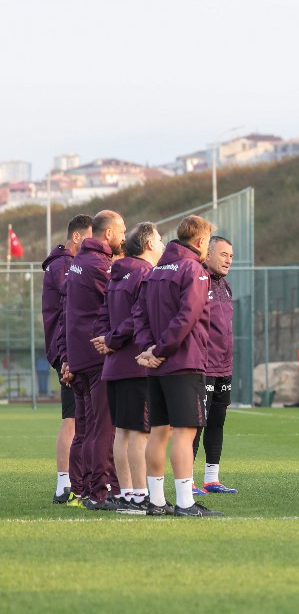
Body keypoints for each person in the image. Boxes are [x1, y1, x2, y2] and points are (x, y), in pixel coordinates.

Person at [133, 215, 223, 516]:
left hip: (157, 366)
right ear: (200, 241)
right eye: (208, 242)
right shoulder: (193, 269)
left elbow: (139, 314)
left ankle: (157, 501)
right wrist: (160, 349)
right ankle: (185, 502)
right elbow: (187, 316)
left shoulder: (155, 270)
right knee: (185, 433)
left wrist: (149, 349)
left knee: (159, 432)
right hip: (184, 363)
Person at [93, 221, 164, 514]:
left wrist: (105, 340)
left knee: (122, 431)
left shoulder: (117, 273)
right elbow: (139, 317)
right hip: (136, 363)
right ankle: (139, 496)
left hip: (114, 366)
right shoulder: (145, 274)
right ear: (149, 244)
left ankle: (127, 494)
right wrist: (111, 339)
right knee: (138, 433)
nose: (163, 245)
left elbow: (102, 314)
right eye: (159, 239)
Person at [65, 210, 126, 511]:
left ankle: (89, 489)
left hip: (79, 356)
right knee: (103, 427)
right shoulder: (99, 266)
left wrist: (67, 357)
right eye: (122, 231)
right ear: (109, 233)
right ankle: (101, 492)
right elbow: (116, 303)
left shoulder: (79, 261)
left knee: (88, 428)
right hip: (96, 355)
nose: (125, 237)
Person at [43, 214, 92, 505]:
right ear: (76, 237)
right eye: (90, 238)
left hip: (71, 349)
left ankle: (77, 480)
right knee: (71, 419)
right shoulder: (64, 265)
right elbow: (72, 299)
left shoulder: (65, 264)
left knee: (80, 419)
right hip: (68, 352)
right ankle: (64, 484)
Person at [193, 236, 238, 494]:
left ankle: (212, 479)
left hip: (224, 366)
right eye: (223, 254)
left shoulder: (226, 286)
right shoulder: (199, 280)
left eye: (231, 256)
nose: (228, 260)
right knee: (196, 423)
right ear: (207, 254)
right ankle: (187, 480)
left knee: (217, 422)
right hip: (203, 367)